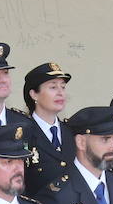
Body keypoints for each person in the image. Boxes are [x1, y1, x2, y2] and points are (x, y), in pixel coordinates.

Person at [22, 61, 74, 196]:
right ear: (34, 94)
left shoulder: (72, 132)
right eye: (53, 87)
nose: (60, 93)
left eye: (63, 87)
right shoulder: (24, 134)